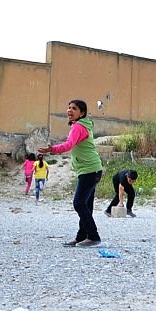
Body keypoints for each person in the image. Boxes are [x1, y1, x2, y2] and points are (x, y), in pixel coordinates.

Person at [38, 99, 104, 247]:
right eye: (68, 108)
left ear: (82, 112)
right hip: (92, 169)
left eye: (74, 108)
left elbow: (68, 145)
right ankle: (81, 237)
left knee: (79, 203)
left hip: (89, 170)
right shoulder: (82, 125)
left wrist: (52, 149)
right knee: (86, 205)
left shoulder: (79, 127)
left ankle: (93, 236)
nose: (69, 110)